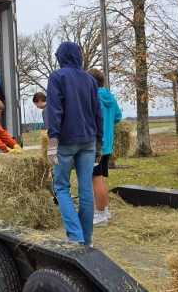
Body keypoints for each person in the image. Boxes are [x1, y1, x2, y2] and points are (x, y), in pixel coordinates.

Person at [46, 41, 103, 247]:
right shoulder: (89, 80)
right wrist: (99, 143)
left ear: (61, 56)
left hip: (66, 141)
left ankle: (76, 237)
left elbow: (54, 110)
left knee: (61, 187)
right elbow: (98, 113)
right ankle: (86, 240)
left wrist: (52, 142)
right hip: (88, 140)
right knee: (85, 187)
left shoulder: (57, 77)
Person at [87, 68, 122, 227]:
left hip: (96, 144)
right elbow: (117, 117)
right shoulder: (110, 96)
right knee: (100, 179)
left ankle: (100, 215)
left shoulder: (92, 98)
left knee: (95, 179)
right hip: (107, 144)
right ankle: (105, 211)